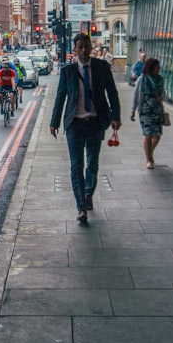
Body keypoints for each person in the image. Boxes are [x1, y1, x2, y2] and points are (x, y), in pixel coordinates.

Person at [49, 33, 122, 224]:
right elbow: (60, 97)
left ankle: (88, 192)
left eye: (86, 46)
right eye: (80, 47)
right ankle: (81, 206)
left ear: (91, 47)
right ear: (75, 50)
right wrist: (54, 122)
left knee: (92, 163)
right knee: (76, 165)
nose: (83, 50)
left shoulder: (102, 67)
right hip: (75, 123)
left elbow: (112, 93)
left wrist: (116, 116)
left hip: (95, 122)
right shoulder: (68, 71)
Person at [129, 57, 164, 169]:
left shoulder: (160, 79)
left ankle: (149, 152)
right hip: (145, 110)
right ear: (151, 67)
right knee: (148, 134)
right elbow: (136, 95)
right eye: (157, 66)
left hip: (157, 110)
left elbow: (164, 93)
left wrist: (161, 97)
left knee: (157, 135)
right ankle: (149, 159)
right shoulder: (142, 79)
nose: (159, 68)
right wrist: (133, 110)